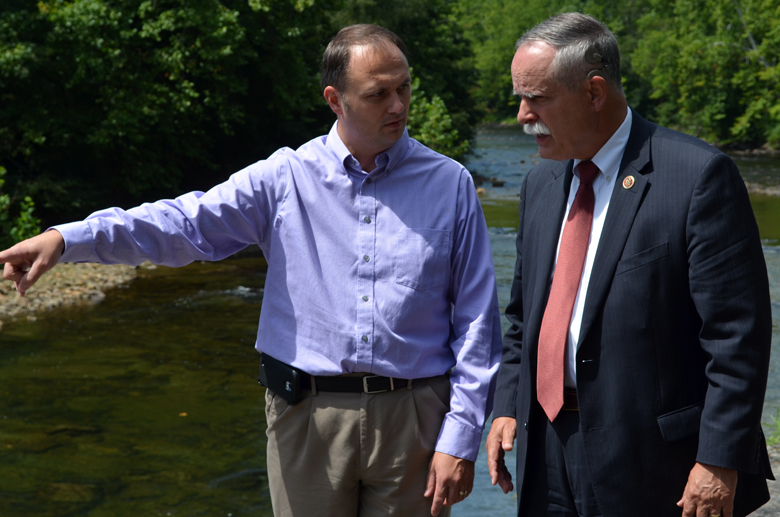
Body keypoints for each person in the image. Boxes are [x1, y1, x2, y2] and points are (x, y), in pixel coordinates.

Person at [0, 24, 502, 517]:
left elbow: (478, 322)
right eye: (378, 94)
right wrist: (68, 238)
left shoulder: (450, 183)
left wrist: (459, 438)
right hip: (305, 415)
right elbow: (182, 224)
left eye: (404, 88)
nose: (398, 105)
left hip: (414, 417)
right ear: (336, 99)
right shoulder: (284, 178)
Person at [485, 12, 773, 517]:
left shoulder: (698, 176)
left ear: (594, 92)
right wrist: (508, 405)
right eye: (520, 99)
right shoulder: (540, 183)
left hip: (657, 466)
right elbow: (521, 319)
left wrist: (719, 459)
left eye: (538, 98)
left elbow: (737, 337)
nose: (523, 116)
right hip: (545, 453)